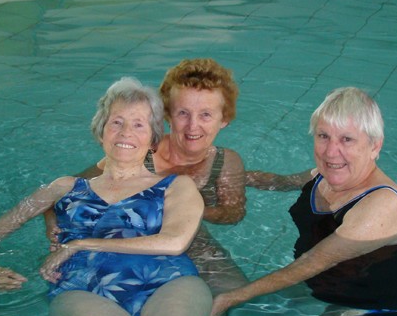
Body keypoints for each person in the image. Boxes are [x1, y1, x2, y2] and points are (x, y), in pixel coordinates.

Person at [0, 77, 212, 316]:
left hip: (168, 281)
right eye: (116, 122)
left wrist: (80, 244)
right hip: (84, 288)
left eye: (139, 124)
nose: (126, 132)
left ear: (154, 138)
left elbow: (174, 242)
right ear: (100, 130)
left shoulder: (176, 186)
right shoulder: (64, 187)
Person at [209, 87, 397, 316]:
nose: (331, 152)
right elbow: (281, 182)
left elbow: (310, 264)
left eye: (347, 139)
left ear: (375, 146)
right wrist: (223, 178)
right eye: (323, 136)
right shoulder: (324, 174)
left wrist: (231, 297)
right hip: (324, 281)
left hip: (367, 306)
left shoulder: (381, 204)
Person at [46, 58, 249, 296]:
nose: (193, 126)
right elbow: (62, 191)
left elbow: (233, 215)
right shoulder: (137, 153)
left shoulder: (226, 162)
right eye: (183, 113)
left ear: (224, 119)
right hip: (127, 241)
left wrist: (185, 208)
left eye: (206, 115)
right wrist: (53, 226)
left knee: (236, 295)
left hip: (194, 242)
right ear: (166, 115)